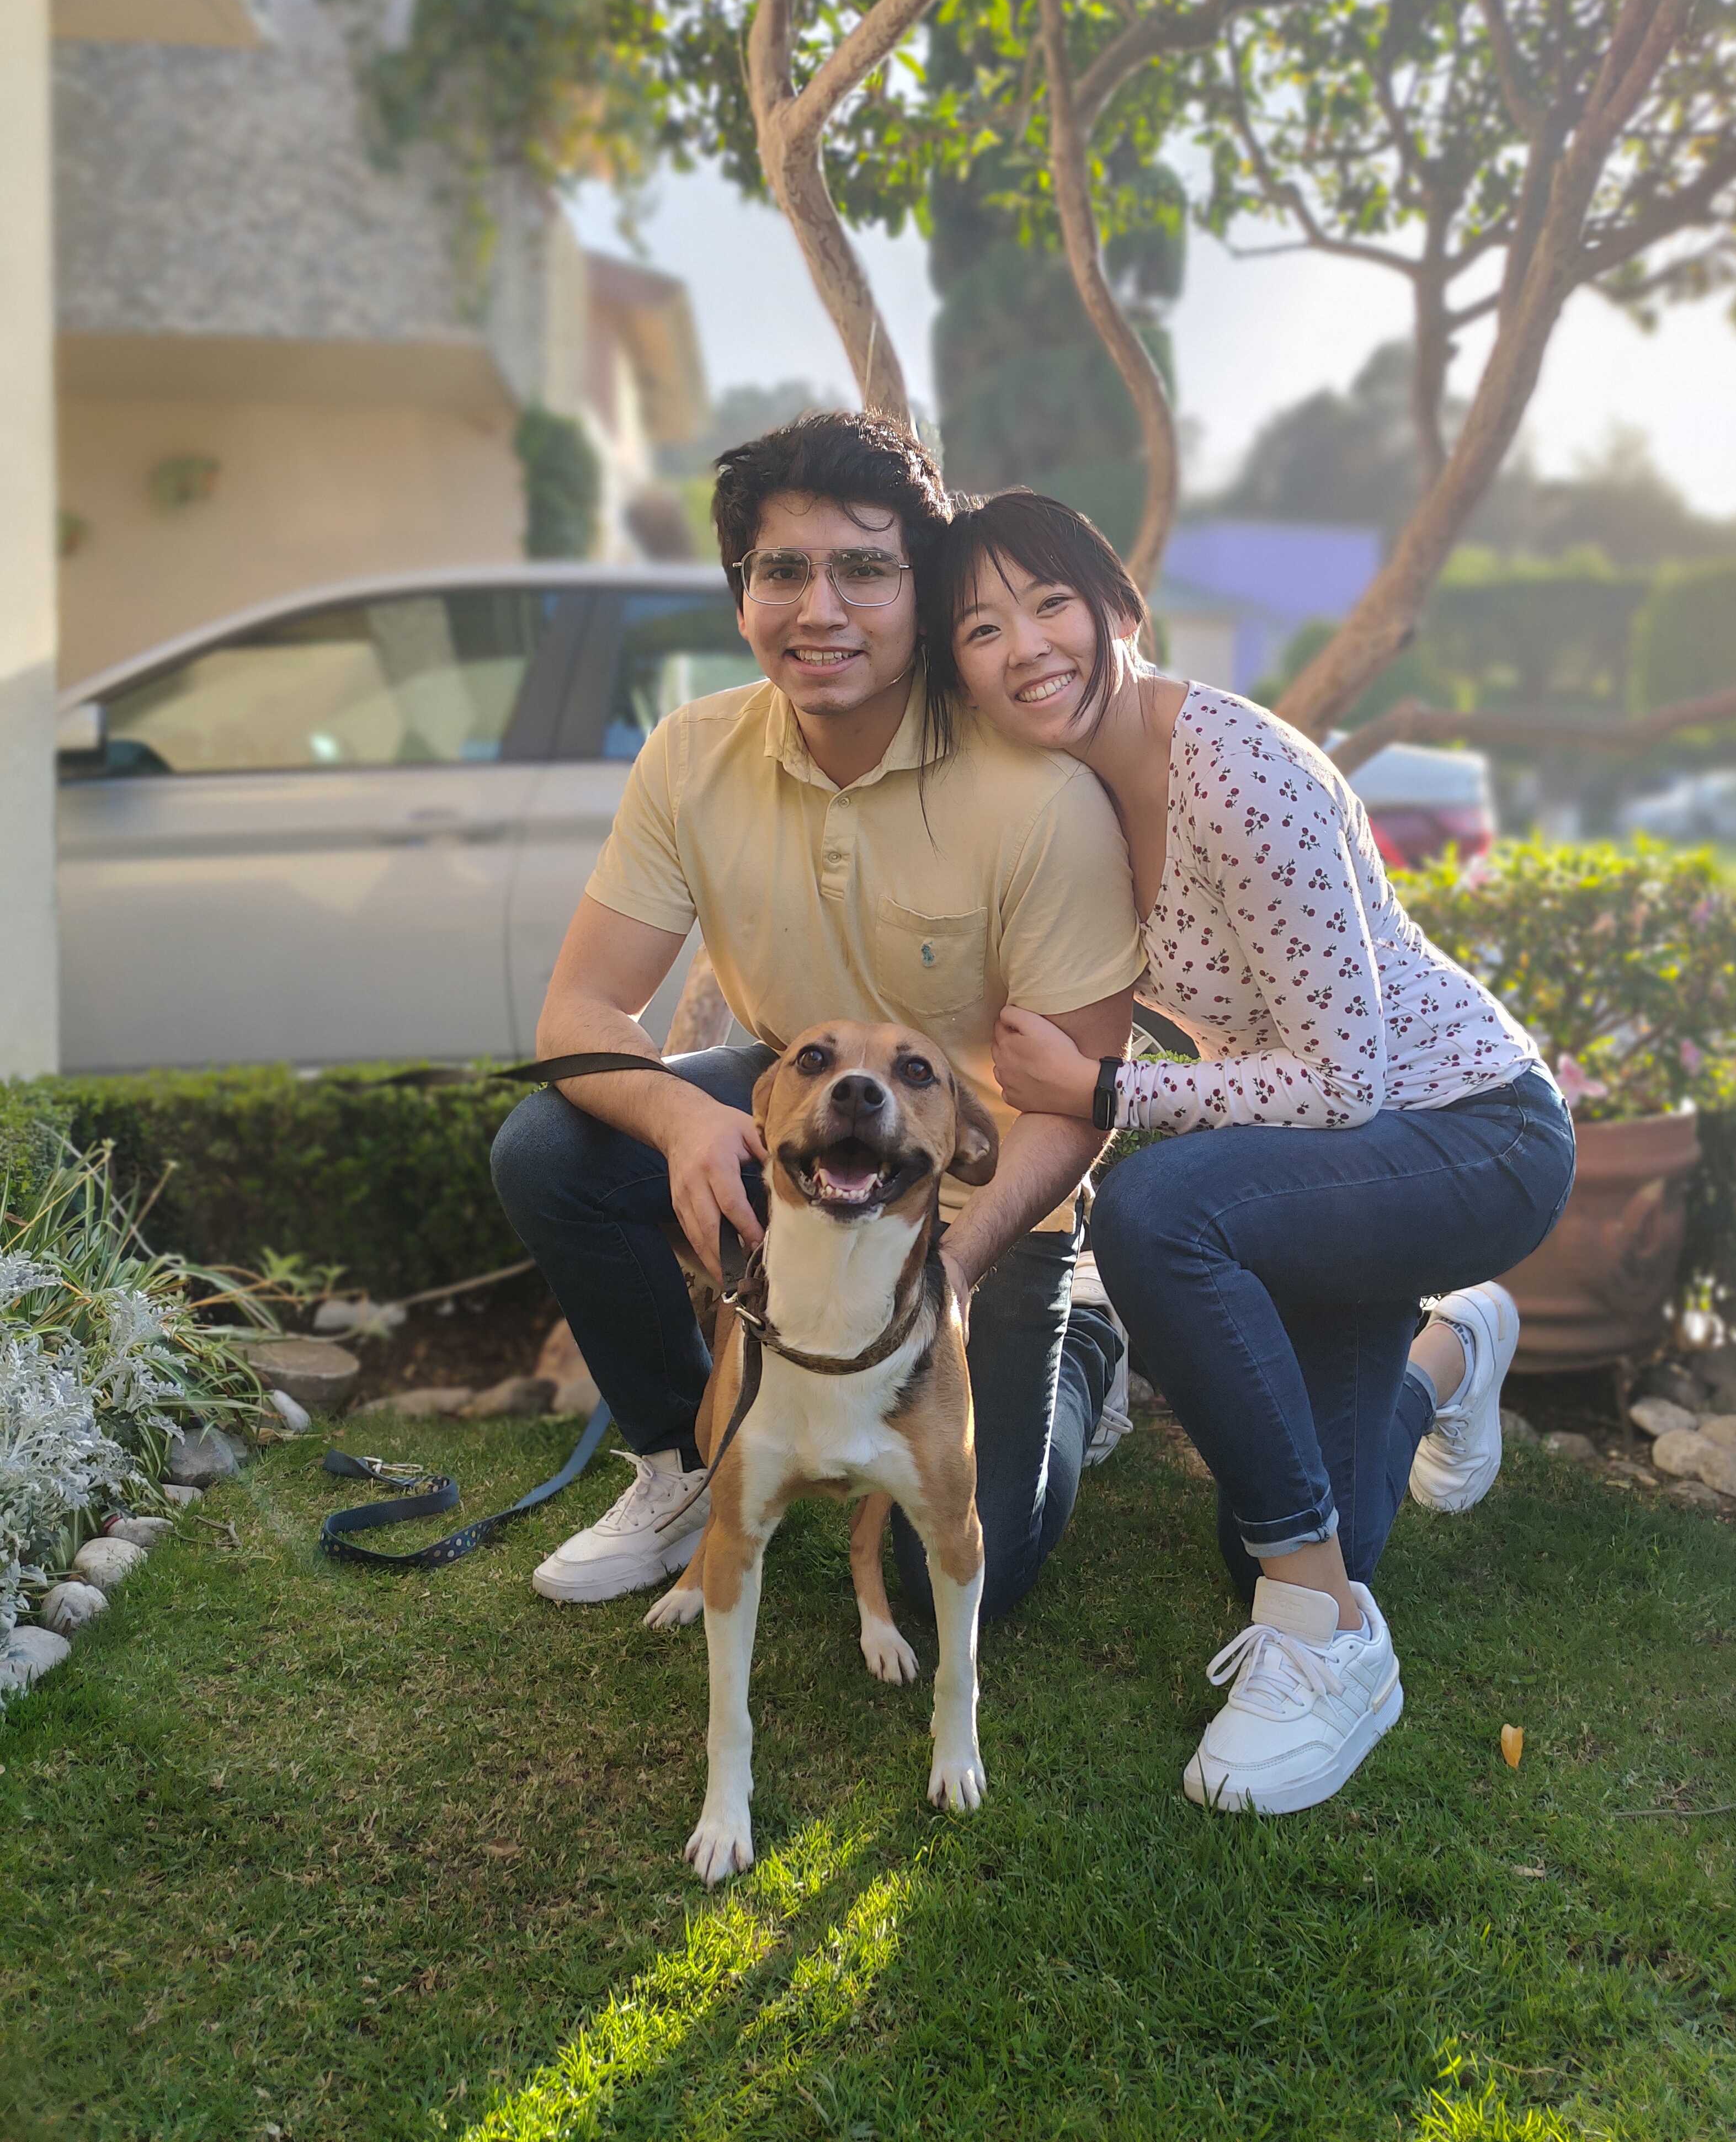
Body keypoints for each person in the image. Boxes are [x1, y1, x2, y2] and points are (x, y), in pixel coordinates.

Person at [923, 490, 1576, 1816]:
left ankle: (1331, 1649)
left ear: (1120, 608)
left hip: (1470, 1134)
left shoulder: (1238, 768)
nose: (1025, 646)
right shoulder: (1078, 795)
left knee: (1157, 1214)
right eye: (981, 628)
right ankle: (1452, 1350)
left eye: (1050, 602)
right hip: (1334, 1169)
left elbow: (1348, 1083)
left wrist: (1110, 1086)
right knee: (1272, 1535)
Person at [490, 415, 1144, 1624]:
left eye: (865, 569)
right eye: (783, 572)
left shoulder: (1037, 794)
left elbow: (1079, 1094)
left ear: (923, 587)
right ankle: (689, 1468)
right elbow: (579, 1012)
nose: (820, 610)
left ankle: (1088, 1346)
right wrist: (686, 1123)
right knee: (550, 1150)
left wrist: (948, 1265)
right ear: (743, 597)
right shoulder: (694, 753)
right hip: (809, 1115)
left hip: (988, 1182)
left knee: (956, 1584)